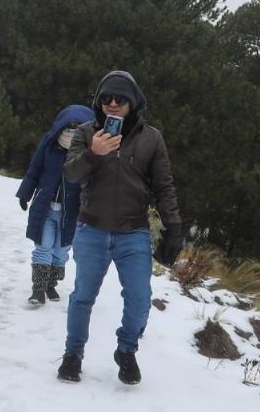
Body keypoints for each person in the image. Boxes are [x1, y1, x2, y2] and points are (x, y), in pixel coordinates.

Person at [57, 70, 183, 385]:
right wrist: (93, 154)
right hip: (92, 229)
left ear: (133, 102)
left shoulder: (151, 138)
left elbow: (164, 186)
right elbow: (70, 174)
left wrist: (174, 227)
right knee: (83, 296)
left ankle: (126, 350)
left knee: (140, 299)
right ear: (99, 102)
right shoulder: (86, 133)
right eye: (106, 98)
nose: (112, 103)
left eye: (120, 98)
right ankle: (73, 355)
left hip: (134, 232)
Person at [16, 104, 95, 307]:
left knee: (61, 252)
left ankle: (50, 283)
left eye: (80, 126)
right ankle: (38, 289)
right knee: (43, 247)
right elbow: (34, 169)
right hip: (46, 207)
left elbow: (96, 183)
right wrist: (25, 193)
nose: (73, 130)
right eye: (71, 125)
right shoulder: (50, 144)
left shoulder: (90, 153)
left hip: (73, 213)